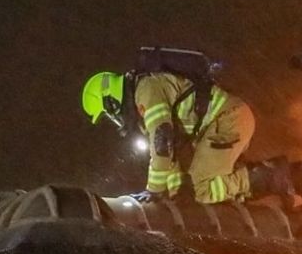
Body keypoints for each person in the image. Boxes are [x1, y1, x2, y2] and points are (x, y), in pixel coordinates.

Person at [82, 53, 254, 204]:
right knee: (193, 189)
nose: (115, 120)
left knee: (200, 189)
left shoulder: (146, 91)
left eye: (109, 115)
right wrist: (175, 195)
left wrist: (154, 190)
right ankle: (247, 185)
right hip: (227, 120)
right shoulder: (142, 101)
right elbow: (170, 156)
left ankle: (261, 179)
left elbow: (162, 142)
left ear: (111, 102)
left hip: (229, 119)